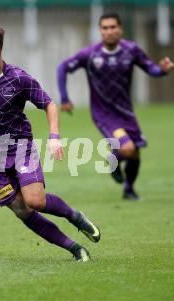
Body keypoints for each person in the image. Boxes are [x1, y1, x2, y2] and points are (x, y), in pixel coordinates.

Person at [0, 23, 100, 262]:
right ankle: (74, 248)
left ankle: (74, 216)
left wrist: (54, 137)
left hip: (19, 148)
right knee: (22, 210)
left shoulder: (19, 79)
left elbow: (49, 105)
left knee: (35, 201)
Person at [57, 12, 174, 200]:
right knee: (126, 148)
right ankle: (112, 160)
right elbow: (63, 67)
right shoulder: (90, 54)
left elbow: (150, 68)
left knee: (135, 153)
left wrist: (162, 70)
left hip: (126, 111)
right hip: (103, 113)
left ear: (120, 29)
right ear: (100, 31)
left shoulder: (131, 50)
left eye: (113, 27)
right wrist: (64, 98)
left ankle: (129, 190)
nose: (109, 31)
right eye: (105, 28)